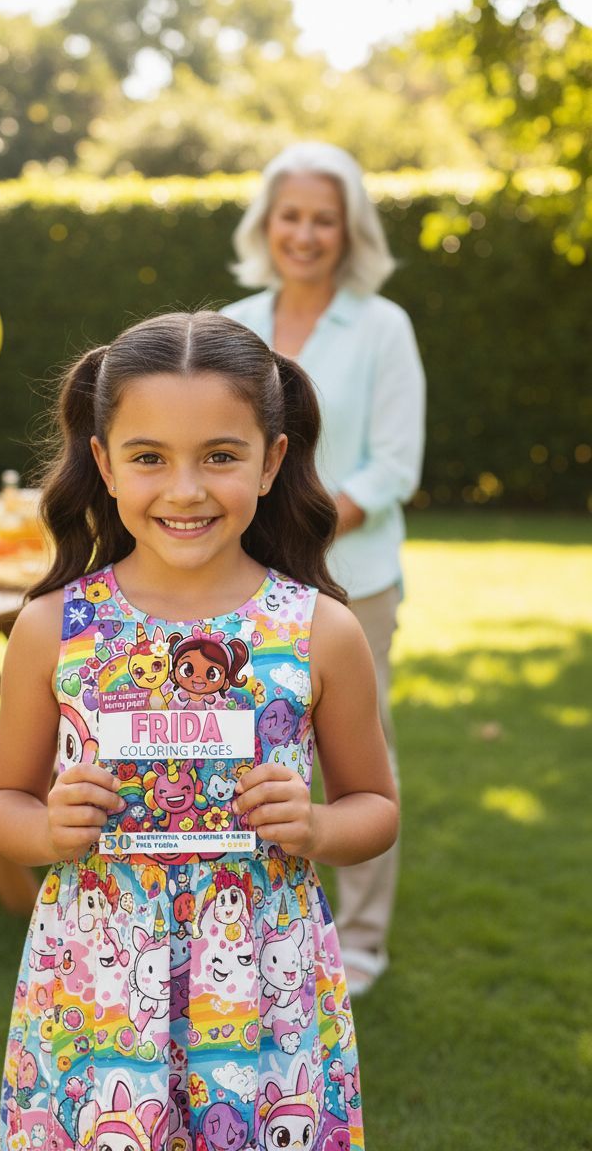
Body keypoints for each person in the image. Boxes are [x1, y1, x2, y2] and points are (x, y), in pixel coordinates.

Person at [0, 310, 398, 1151]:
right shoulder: (54, 627)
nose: (185, 489)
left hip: (262, 993)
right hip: (96, 990)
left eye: (220, 455)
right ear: (103, 463)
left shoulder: (319, 630)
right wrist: (47, 828)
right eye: (148, 458)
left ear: (272, 460)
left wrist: (315, 824)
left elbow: (376, 808)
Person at [222, 142, 426, 996]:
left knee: (356, 756)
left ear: (349, 234)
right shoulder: (232, 323)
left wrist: (302, 516)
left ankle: (363, 940)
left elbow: (394, 466)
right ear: (267, 225)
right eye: (290, 216)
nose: (304, 234)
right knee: (248, 742)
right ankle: (247, 925)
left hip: (353, 577)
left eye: (323, 219)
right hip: (245, 572)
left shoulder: (383, 326)